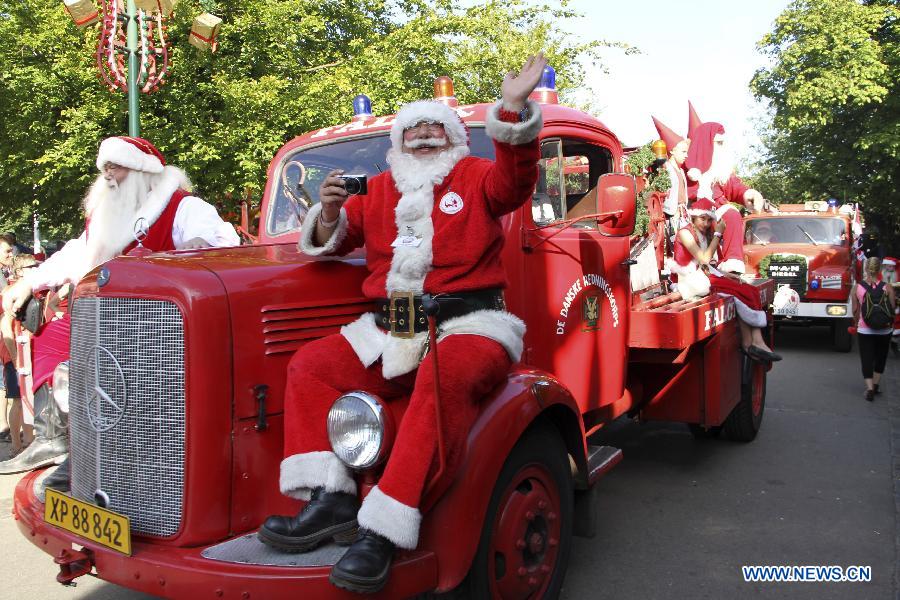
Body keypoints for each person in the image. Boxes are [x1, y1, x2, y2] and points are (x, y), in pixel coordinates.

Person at [257, 55, 547, 594]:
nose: (424, 136)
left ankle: (383, 529)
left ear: (456, 137)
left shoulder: (479, 176)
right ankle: (333, 498)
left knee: (446, 378)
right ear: (398, 141)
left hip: (471, 323)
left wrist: (511, 109)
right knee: (310, 366)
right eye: (412, 129)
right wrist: (326, 212)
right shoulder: (381, 190)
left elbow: (516, 182)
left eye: (436, 128)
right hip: (392, 328)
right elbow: (335, 239)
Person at [0, 136, 240, 478]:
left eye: (116, 167)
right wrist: (28, 283)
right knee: (51, 334)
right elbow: (75, 255)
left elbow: (224, 252)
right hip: (105, 319)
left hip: (159, 328)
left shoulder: (184, 208)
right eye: (105, 168)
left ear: (143, 171)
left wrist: (196, 252)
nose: (108, 175)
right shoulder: (103, 219)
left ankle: (110, 460)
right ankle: (53, 438)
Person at [668, 198, 781, 363]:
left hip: (704, 277)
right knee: (739, 291)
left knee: (748, 289)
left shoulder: (702, 233)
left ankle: (753, 342)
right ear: (693, 217)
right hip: (689, 282)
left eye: (709, 219)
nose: (706, 223)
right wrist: (718, 233)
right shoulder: (684, 233)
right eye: (702, 219)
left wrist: (725, 274)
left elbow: (707, 266)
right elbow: (704, 259)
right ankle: (752, 343)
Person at [684, 121, 771, 274]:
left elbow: (733, 186)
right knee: (730, 214)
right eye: (719, 143)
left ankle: (732, 260)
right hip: (692, 216)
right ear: (706, 143)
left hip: (714, 213)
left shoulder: (719, 170)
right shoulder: (689, 170)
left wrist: (748, 194)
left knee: (731, 215)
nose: (723, 147)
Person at [852, 256, 895, 400]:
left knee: (867, 358)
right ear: (880, 269)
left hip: (865, 329)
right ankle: (876, 386)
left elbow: (855, 310)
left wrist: (857, 322)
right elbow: (893, 308)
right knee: (880, 357)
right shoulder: (887, 287)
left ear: (866, 269)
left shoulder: (857, 287)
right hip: (885, 329)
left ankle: (869, 388)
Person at [651, 116, 690, 242]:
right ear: (672, 150)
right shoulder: (665, 168)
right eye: (683, 152)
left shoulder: (681, 171)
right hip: (671, 215)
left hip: (683, 214)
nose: (686, 155)